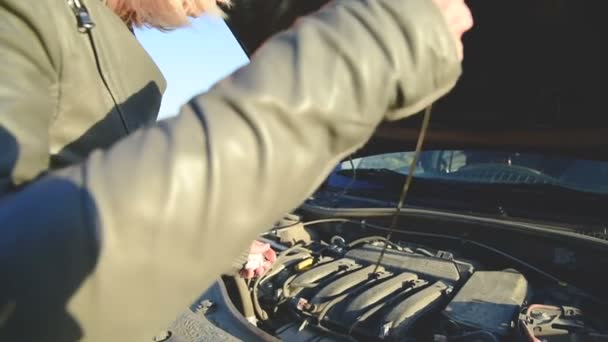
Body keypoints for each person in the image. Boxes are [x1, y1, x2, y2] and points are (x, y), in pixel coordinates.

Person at [0, 0, 473, 340]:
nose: (222, 6)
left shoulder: (106, 41)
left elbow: (90, 195)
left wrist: (226, 244)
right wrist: (370, 50)